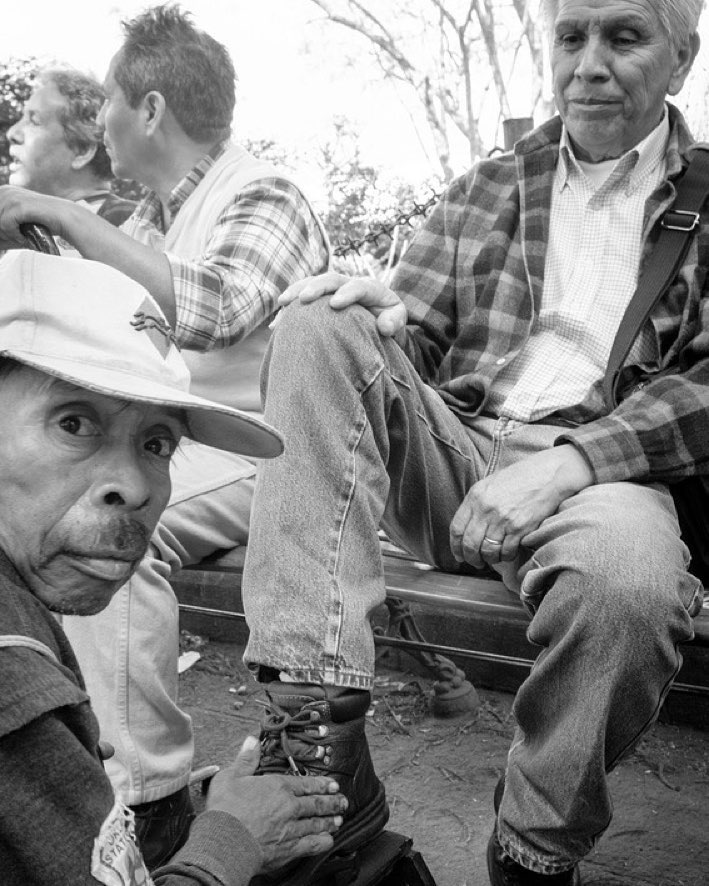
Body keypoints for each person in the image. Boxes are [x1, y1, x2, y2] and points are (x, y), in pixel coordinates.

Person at [228, 0, 706, 883]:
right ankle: (316, 735)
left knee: (631, 591)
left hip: (603, 475)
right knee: (317, 317)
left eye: (624, 36)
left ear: (681, 57)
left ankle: (530, 849)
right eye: (571, 36)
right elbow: (406, 338)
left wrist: (571, 463)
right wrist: (382, 317)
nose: (589, 64)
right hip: (459, 447)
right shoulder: (491, 184)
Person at [0, 4, 330, 868]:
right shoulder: (144, 220)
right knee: (73, 504)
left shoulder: (266, 192)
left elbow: (218, 308)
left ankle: (147, 802)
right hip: (176, 445)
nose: (100, 121)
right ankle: (77, 764)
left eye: (109, 100)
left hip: (278, 456)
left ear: (148, 108)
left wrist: (66, 219)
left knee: (115, 526)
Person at [0, 249, 347, 886]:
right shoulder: (12, 677)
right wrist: (231, 837)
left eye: (157, 443)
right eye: (73, 422)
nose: (134, 486)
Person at [7, 67, 135, 226]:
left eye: (34, 121)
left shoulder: (133, 226)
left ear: (81, 150)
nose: (12, 133)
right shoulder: (20, 228)